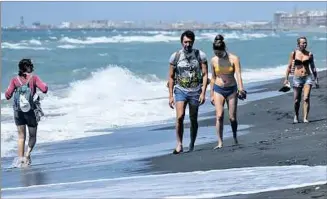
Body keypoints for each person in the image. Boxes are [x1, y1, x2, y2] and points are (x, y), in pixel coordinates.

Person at [168, 30, 208, 154]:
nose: (187, 44)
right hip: (180, 90)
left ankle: (191, 143)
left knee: (193, 118)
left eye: (190, 42)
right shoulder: (176, 56)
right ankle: (179, 144)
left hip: (195, 90)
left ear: (193, 42)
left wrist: (203, 93)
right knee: (180, 117)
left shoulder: (200, 55)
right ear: (182, 42)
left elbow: (205, 74)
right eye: (185, 42)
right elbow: (170, 76)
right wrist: (170, 96)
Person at [5, 58, 48, 167]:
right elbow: (44, 89)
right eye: (31, 66)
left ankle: (21, 161)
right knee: (32, 135)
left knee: (21, 136)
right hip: (30, 111)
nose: (32, 68)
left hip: (18, 111)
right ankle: (27, 155)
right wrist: (45, 85)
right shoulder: (34, 78)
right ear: (28, 67)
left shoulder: (14, 80)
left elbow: (7, 95)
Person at [210, 34, 246, 149]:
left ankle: (235, 136)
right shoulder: (213, 60)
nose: (218, 55)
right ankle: (220, 142)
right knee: (219, 116)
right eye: (216, 53)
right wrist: (211, 94)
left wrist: (241, 89)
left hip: (231, 89)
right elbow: (213, 77)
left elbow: (238, 75)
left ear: (224, 49)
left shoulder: (234, 58)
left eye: (219, 53)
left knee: (232, 117)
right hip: (218, 89)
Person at [284, 36, 318, 123]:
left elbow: (313, 67)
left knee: (306, 98)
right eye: (302, 43)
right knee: (296, 100)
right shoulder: (294, 53)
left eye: (305, 42)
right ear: (298, 44)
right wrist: (286, 79)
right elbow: (289, 67)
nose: (304, 44)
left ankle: (305, 118)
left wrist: (316, 78)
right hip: (297, 78)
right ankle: (296, 115)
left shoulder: (309, 54)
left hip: (308, 77)